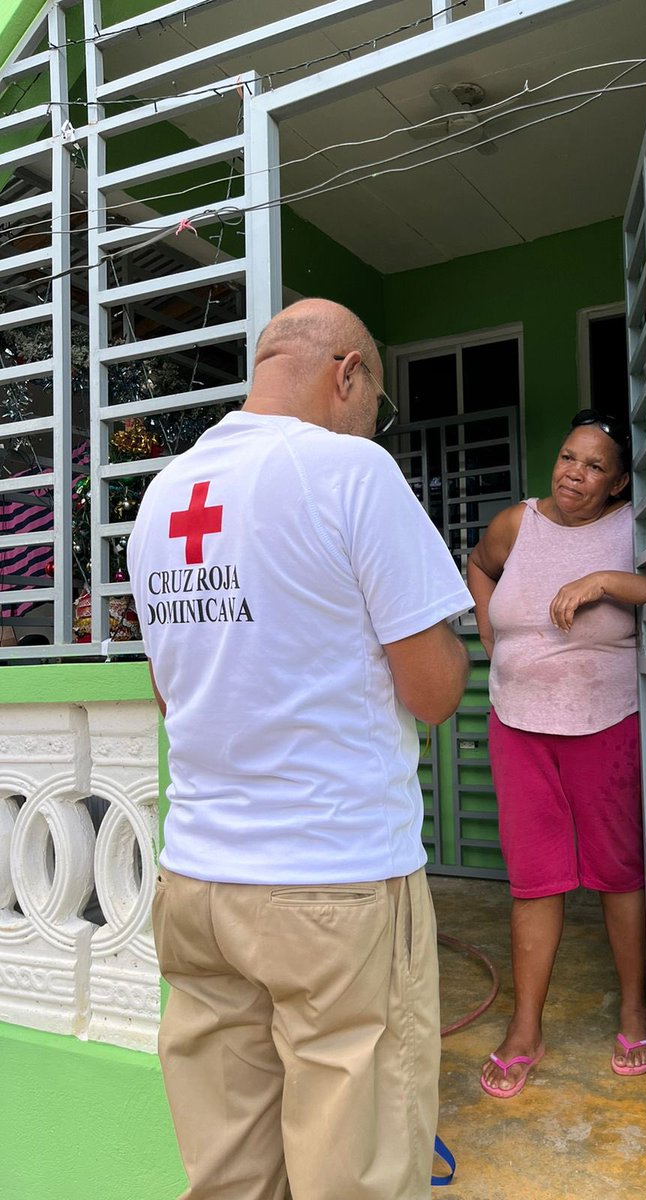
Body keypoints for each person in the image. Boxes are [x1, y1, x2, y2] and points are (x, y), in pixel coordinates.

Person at [127, 298, 473, 1200]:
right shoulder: (349, 471)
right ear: (345, 372)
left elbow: (172, 694)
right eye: (378, 404)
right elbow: (435, 693)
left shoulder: (164, 498)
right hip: (335, 883)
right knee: (356, 1174)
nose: (374, 425)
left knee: (230, 1173)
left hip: (197, 883)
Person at [466, 409, 646, 1098]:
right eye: (569, 457)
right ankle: (525, 1030)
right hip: (516, 722)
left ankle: (635, 1012)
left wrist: (606, 581)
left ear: (618, 482)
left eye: (594, 466)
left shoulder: (634, 525)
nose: (574, 474)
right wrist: (494, 638)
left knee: (617, 871)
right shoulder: (519, 524)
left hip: (605, 719)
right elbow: (479, 566)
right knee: (534, 879)